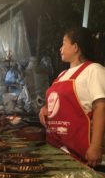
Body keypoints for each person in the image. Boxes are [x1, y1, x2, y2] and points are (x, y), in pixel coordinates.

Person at [39, 27, 105, 167]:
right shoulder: (62, 75)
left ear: (75, 47)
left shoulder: (94, 70)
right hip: (55, 148)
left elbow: (100, 107)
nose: (60, 48)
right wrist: (45, 109)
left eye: (63, 43)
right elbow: (56, 103)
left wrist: (95, 146)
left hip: (78, 153)